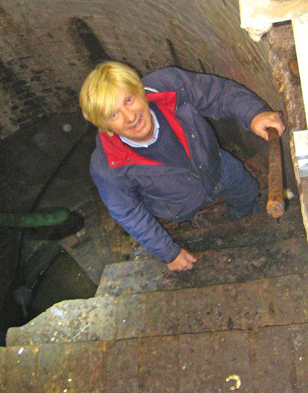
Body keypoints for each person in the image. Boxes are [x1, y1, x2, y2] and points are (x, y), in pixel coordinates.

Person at [79, 61, 285, 272]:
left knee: (247, 190)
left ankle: (248, 218)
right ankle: (188, 222)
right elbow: (128, 212)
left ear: (139, 90)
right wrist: (169, 252)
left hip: (216, 167)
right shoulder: (107, 165)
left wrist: (253, 113)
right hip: (176, 204)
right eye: (114, 114)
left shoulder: (169, 85)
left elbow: (217, 93)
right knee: (186, 219)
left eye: (129, 100)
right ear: (105, 126)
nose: (130, 117)